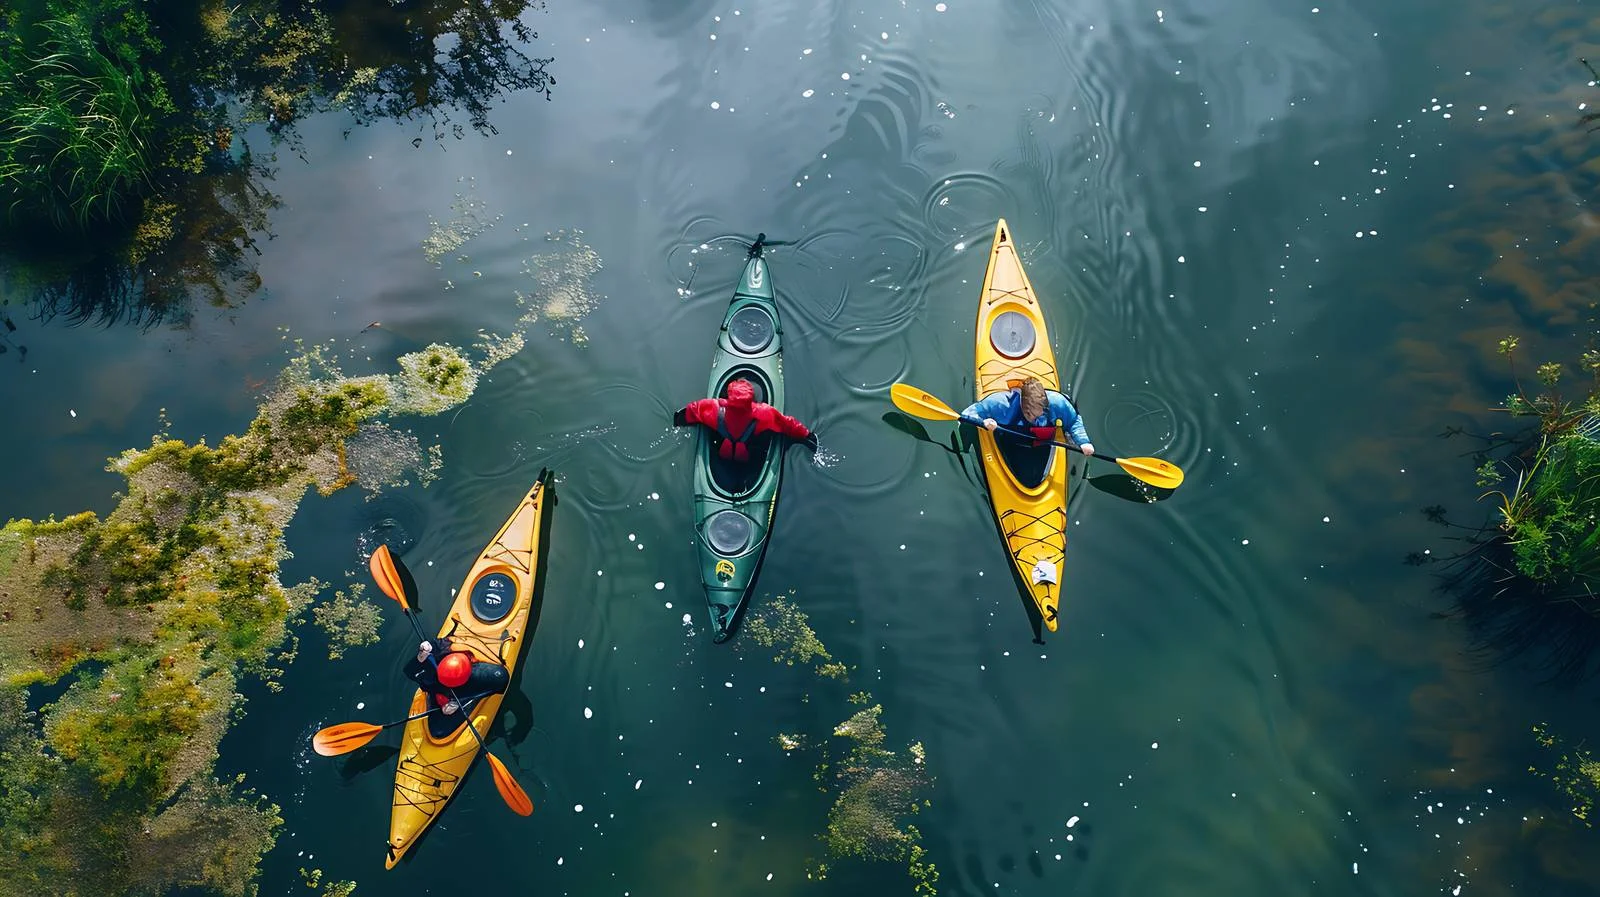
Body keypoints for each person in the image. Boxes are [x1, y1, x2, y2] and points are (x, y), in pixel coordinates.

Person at [672, 377, 819, 460]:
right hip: (746, 454)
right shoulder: (764, 413)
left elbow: (692, 409)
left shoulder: (713, 408)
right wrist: (807, 435)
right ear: (751, 398)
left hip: (723, 451)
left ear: (729, 396)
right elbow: (788, 424)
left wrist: (678, 420)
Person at [962, 376, 1094, 455]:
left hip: (1041, 443)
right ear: (1022, 404)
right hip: (1012, 443)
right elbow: (968, 413)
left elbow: (1073, 421)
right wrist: (984, 422)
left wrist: (1084, 442)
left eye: (1037, 415)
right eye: (1029, 413)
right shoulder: (1001, 404)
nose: (1033, 419)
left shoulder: (1057, 403)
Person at [404, 638, 509, 716]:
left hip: (471, 664)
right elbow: (409, 672)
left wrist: (460, 701)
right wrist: (420, 657)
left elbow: (502, 681)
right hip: (445, 692)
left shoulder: (444, 648)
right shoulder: (433, 674)